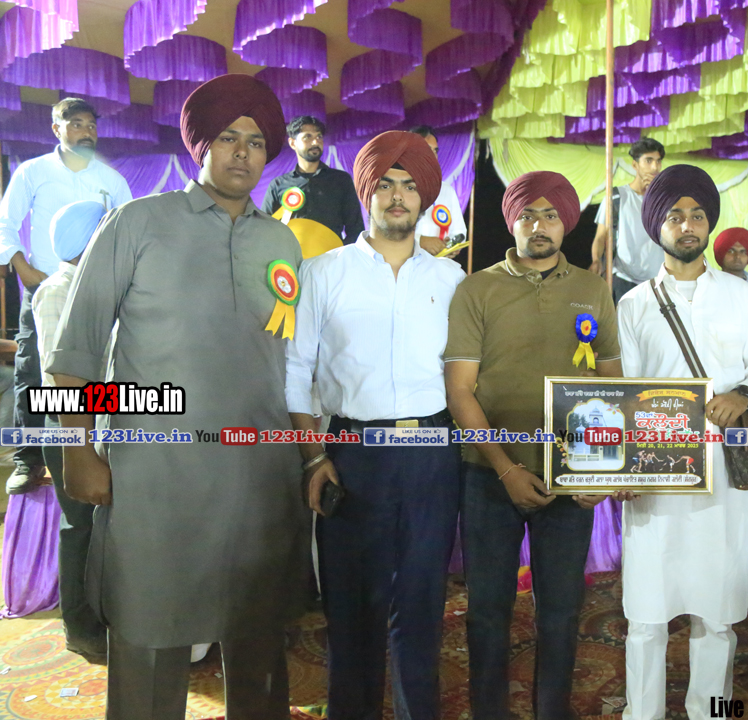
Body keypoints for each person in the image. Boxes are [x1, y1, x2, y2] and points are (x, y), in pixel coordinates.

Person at [46, 74, 306, 720]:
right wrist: (78, 450)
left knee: (257, 639)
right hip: (156, 477)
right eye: (228, 137)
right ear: (201, 145)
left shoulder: (281, 242)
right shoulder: (138, 223)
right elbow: (75, 351)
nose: (242, 152)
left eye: (256, 141)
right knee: (148, 633)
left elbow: (295, 360)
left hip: (258, 477)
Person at [286, 130, 464, 720]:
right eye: (385, 184)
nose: (397, 196)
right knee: (350, 608)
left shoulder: (449, 281)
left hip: (431, 451)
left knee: (421, 605)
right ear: (366, 192)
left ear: (424, 197)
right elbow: (295, 370)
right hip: (351, 451)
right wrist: (314, 457)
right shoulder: (323, 272)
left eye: (409, 185)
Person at [444, 171, 621, 720]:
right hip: (488, 475)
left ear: (566, 223)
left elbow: (610, 385)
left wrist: (599, 471)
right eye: (527, 215)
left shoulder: (592, 289)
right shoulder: (476, 288)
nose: (539, 226)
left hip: (571, 477)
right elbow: (460, 390)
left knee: (562, 613)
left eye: (550, 215)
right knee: (487, 611)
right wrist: (505, 469)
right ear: (511, 222)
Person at [617, 164, 748, 720]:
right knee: (646, 615)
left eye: (698, 215)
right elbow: (625, 396)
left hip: (723, 478)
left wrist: (744, 397)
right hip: (656, 476)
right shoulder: (634, 304)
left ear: (709, 224)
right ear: (656, 226)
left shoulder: (742, 297)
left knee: (717, 615)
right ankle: (642, 713)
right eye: (675, 216)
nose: (687, 225)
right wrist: (623, 472)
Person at [0, 97, 132, 495]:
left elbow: (129, 231)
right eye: (76, 124)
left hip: (99, 292)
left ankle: (105, 450)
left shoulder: (110, 179)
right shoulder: (34, 171)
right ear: (56, 129)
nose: (86, 131)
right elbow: (5, 222)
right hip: (45, 288)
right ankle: (29, 459)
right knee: (33, 373)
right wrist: (25, 272)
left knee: (101, 370)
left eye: (91, 125)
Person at [31, 200, 108, 663]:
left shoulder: (97, 288)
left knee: (100, 526)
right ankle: (80, 628)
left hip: (103, 419)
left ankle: (106, 615)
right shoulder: (57, 290)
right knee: (79, 525)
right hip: (68, 423)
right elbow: (58, 375)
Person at [262, 115, 365, 246]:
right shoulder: (278, 184)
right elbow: (263, 227)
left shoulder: (341, 180)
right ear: (293, 143)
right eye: (308, 137)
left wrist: (339, 255)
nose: (316, 142)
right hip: (290, 257)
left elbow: (355, 229)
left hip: (331, 256)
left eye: (319, 136)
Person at [589, 138, 666, 304]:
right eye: (649, 161)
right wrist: (596, 260)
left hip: (658, 281)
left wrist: (654, 195)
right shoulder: (617, 197)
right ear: (635, 165)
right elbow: (601, 237)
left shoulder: (665, 200)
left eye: (658, 161)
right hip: (624, 278)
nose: (655, 167)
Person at [410, 125, 467, 258]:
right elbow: (383, 233)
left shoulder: (446, 190)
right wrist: (420, 241)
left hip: (439, 264)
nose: (433, 156)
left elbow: (460, 232)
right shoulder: (396, 188)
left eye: (435, 151)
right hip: (404, 263)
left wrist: (451, 244)